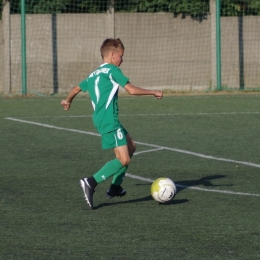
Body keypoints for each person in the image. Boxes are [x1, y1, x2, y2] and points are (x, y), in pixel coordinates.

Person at [61, 38, 163, 209]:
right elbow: (130, 89)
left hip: (103, 120)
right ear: (113, 55)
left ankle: (115, 188)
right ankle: (90, 182)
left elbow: (76, 89)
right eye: (121, 56)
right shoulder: (112, 71)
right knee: (123, 159)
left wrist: (67, 100)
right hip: (109, 121)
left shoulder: (93, 74)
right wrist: (153, 92)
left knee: (130, 147)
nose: (122, 60)